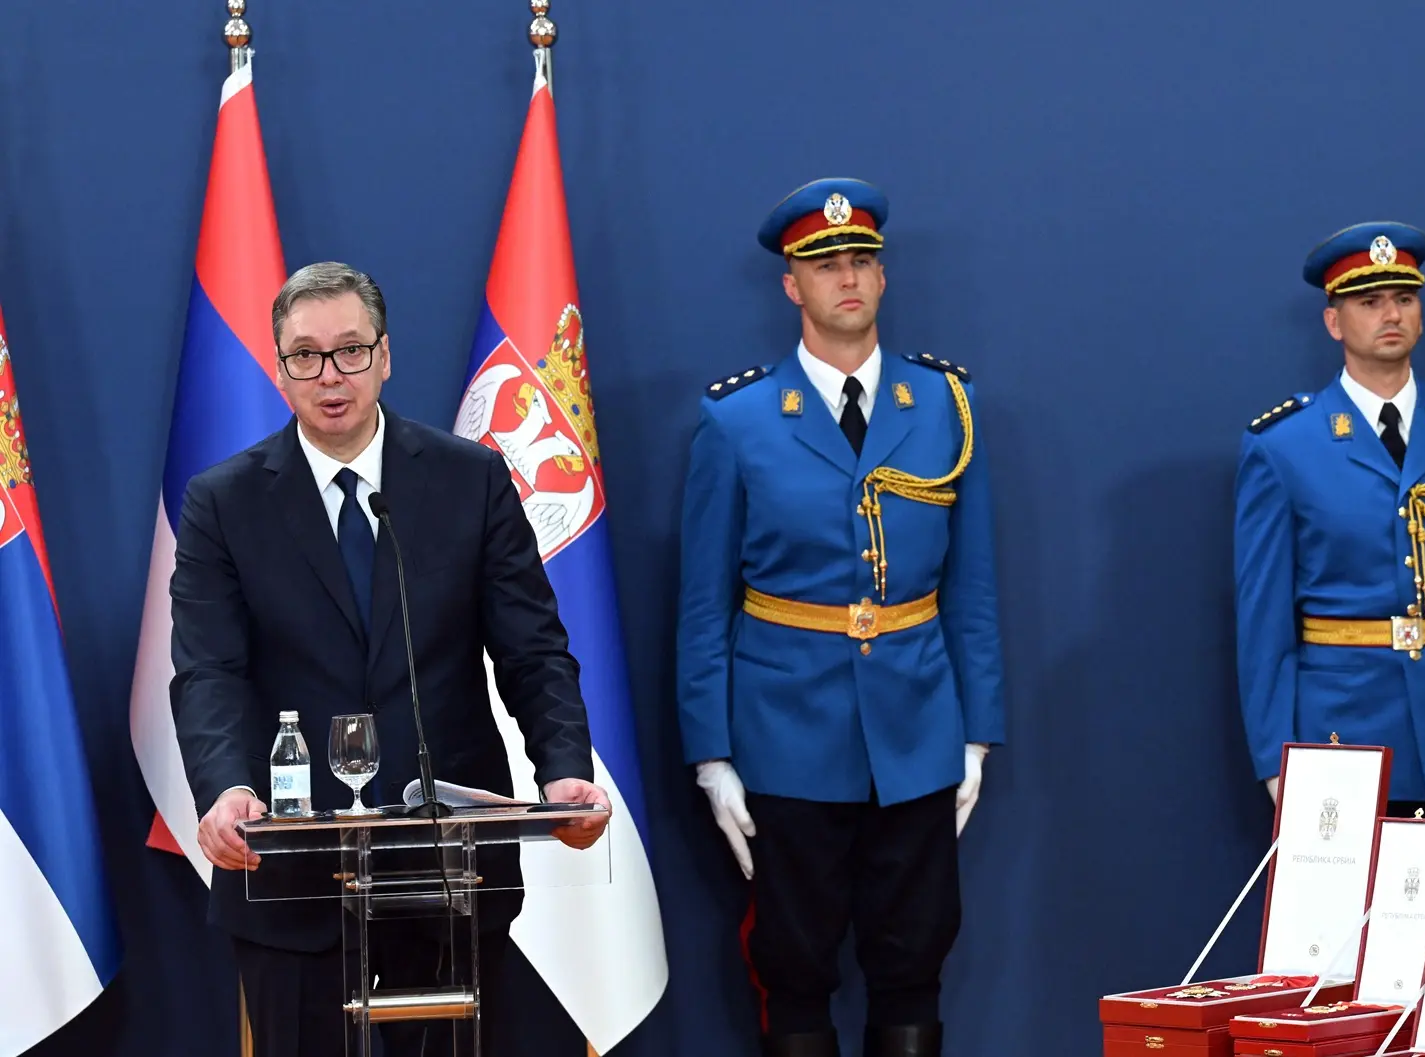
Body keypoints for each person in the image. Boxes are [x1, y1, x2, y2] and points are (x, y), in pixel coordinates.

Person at [170, 262, 611, 1057]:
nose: (329, 375)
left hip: (448, 870)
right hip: (291, 874)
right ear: (279, 370)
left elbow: (533, 648)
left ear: (385, 356)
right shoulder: (223, 502)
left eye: (350, 350)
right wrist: (227, 786)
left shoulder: (470, 479)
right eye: (305, 355)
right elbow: (209, 670)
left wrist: (564, 769)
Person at [675, 178, 1006, 1057]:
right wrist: (711, 756)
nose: (847, 278)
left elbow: (972, 588)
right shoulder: (738, 420)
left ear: (884, 276)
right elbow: (703, 605)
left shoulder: (946, 406)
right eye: (825, 265)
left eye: (861, 260)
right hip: (785, 735)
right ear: (792, 285)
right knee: (793, 967)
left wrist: (976, 735)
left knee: (915, 962)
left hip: (917, 729)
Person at [1234, 222, 1425, 931]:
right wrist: (1277, 758)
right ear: (1333, 321)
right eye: (1369, 302)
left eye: (1404, 297)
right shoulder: (1285, 445)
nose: (1390, 314)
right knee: (1345, 952)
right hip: (1341, 737)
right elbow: (1262, 621)